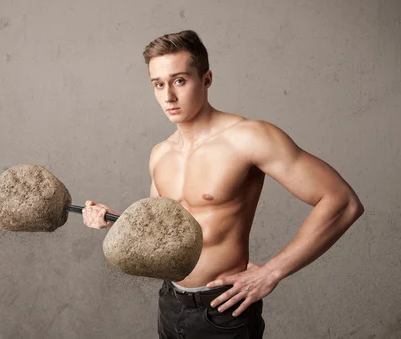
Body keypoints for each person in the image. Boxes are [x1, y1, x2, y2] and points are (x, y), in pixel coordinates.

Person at [82, 30, 364, 338]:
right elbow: (162, 235)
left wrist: (273, 271)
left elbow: (342, 201)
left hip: (224, 311)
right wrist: (114, 220)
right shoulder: (160, 154)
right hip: (170, 305)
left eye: (179, 80)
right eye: (158, 84)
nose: (168, 96)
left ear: (206, 79)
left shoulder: (248, 137)